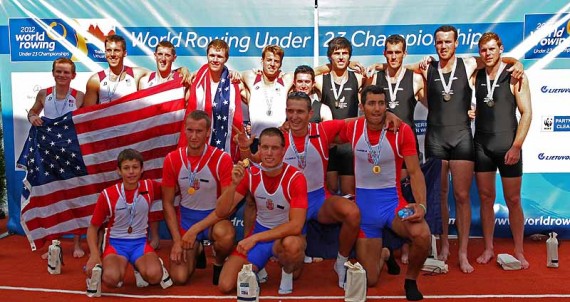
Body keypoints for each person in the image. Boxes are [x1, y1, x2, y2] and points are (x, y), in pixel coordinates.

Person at [412, 25, 523, 273]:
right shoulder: (426, 68)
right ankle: (443, 247)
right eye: (439, 42)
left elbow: (497, 59)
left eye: (448, 42)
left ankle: (462, 253)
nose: (443, 46)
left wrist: (518, 63)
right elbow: (396, 70)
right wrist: (373, 68)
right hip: (435, 138)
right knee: (439, 196)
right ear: (434, 44)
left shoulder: (470, 64)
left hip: (462, 137)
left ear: (456, 43)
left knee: (461, 196)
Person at [236, 91, 360, 288]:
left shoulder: (322, 131)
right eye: (290, 111)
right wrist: (244, 150)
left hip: (318, 199)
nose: (294, 116)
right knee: (294, 271)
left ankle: (341, 262)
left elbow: (355, 123)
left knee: (352, 212)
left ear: (310, 113)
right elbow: (257, 162)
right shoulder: (280, 136)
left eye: (300, 112)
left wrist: (388, 115)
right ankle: (253, 253)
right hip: (290, 205)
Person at [337, 85, 430, 301]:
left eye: (381, 104)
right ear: (362, 107)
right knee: (369, 279)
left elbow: (415, 172)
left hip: (394, 207)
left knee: (423, 234)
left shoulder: (401, 130)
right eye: (371, 104)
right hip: (365, 214)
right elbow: (322, 134)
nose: (377, 109)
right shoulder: (352, 128)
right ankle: (386, 254)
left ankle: (411, 281)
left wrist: (421, 205)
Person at [216, 128, 308, 295]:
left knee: (293, 246)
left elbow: (296, 226)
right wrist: (233, 185)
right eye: (265, 147)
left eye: (274, 148)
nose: (269, 153)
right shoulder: (250, 174)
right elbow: (221, 211)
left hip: (284, 237)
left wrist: (254, 238)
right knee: (225, 285)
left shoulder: (295, 177)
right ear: (258, 149)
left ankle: (286, 275)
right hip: (260, 234)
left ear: (283, 150)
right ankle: (259, 268)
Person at [365, 34, 427, 264]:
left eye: (397, 52)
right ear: (384, 53)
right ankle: (385, 245)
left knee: (407, 197)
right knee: (384, 200)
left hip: (407, 151)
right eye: (389, 52)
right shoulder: (374, 76)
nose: (393, 56)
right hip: (380, 152)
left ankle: (408, 243)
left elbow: (437, 106)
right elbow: (364, 109)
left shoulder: (417, 79)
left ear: (404, 53)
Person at [472, 32, 532, 269]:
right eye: (483, 50)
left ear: (500, 49)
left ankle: (518, 249)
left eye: (492, 49)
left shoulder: (516, 76)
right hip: (482, 145)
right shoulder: (475, 74)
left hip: (509, 145)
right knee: (486, 199)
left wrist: (517, 146)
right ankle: (488, 248)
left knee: (513, 199)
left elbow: (526, 113)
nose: (487, 53)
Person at [161, 110, 236, 285]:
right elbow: (167, 203)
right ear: (184, 130)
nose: (194, 136)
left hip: (214, 220)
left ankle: (218, 263)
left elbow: (226, 207)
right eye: (190, 130)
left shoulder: (221, 159)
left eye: (199, 131)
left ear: (208, 132)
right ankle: (197, 249)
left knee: (225, 235)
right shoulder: (172, 159)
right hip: (186, 221)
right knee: (179, 278)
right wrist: (177, 240)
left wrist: (195, 230)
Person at [27, 57, 86, 258]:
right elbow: (33, 111)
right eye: (58, 71)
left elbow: (84, 122)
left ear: (73, 75)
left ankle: (78, 243)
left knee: (75, 195)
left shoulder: (80, 96)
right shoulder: (44, 94)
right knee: (55, 196)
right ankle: (55, 243)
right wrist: (32, 117)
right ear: (53, 73)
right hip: (49, 152)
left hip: (72, 153)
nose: (62, 75)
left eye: (66, 72)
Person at [84, 149, 166, 289]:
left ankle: (141, 267)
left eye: (135, 167)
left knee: (154, 276)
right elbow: (93, 227)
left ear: (142, 169)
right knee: (112, 280)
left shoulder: (149, 187)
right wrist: (94, 255)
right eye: (126, 168)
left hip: (140, 243)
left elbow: (172, 189)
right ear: (119, 171)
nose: (131, 172)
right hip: (116, 245)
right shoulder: (108, 194)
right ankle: (101, 270)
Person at [316, 37, 364, 196]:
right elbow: (302, 74)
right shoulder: (321, 80)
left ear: (350, 56)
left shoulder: (357, 78)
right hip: (328, 144)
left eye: (345, 53)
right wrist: (329, 66)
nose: (341, 57)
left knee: (349, 192)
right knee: (329, 190)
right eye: (337, 53)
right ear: (330, 56)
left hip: (349, 145)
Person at [185, 39, 244, 160]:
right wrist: (182, 69)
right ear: (207, 56)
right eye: (212, 55)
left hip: (225, 147)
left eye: (219, 56)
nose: (215, 60)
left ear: (226, 59)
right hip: (197, 147)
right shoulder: (196, 81)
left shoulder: (234, 84)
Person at [240, 45, 294, 153]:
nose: (272, 64)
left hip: (278, 142)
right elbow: (230, 76)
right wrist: (195, 74)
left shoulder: (286, 80)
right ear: (262, 61)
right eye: (269, 60)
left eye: (276, 61)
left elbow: (310, 73)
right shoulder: (251, 77)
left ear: (280, 64)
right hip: (256, 141)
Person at [83, 35, 151, 106]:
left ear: (125, 53)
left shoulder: (136, 74)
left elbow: (159, 78)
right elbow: (88, 113)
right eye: (109, 50)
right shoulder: (95, 80)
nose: (112, 54)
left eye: (116, 50)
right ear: (105, 53)